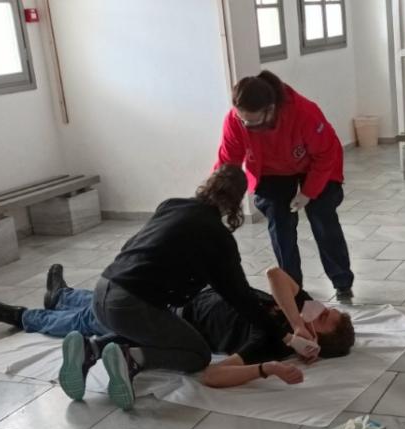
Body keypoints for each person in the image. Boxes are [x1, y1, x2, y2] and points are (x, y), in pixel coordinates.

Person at [72, 165, 320, 410]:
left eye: (326, 317)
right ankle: (132, 359)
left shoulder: (171, 205)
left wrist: (289, 334)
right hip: (133, 305)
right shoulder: (217, 238)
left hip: (104, 289)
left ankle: (92, 348)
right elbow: (242, 299)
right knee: (197, 355)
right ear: (236, 202)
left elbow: (131, 247)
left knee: (152, 327)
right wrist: (288, 336)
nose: (322, 312)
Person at [0, 264, 355, 396]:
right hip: (183, 296)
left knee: (97, 318)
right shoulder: (294, 312)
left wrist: (267, 368)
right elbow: (274, 274)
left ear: (316, 342)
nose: (319, 309)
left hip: (171, 320)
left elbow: (212, 375)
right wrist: (297, 319)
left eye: (324, 318)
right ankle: (62, 295)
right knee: (109, 299)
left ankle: (21, 316)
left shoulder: (270, 342)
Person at [215, 70, 354, 303]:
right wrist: (216, 198)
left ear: (271, 109)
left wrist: (308, 193)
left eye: (253, 121)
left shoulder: (304, 112)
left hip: (315, 165)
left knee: (322, 217)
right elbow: (227, 162)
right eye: (243, 120)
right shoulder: (234, 120)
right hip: (271, 171)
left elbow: (326, 154)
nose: (247, 126)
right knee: (280, 225)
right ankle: (293, 289)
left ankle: (342, 283)